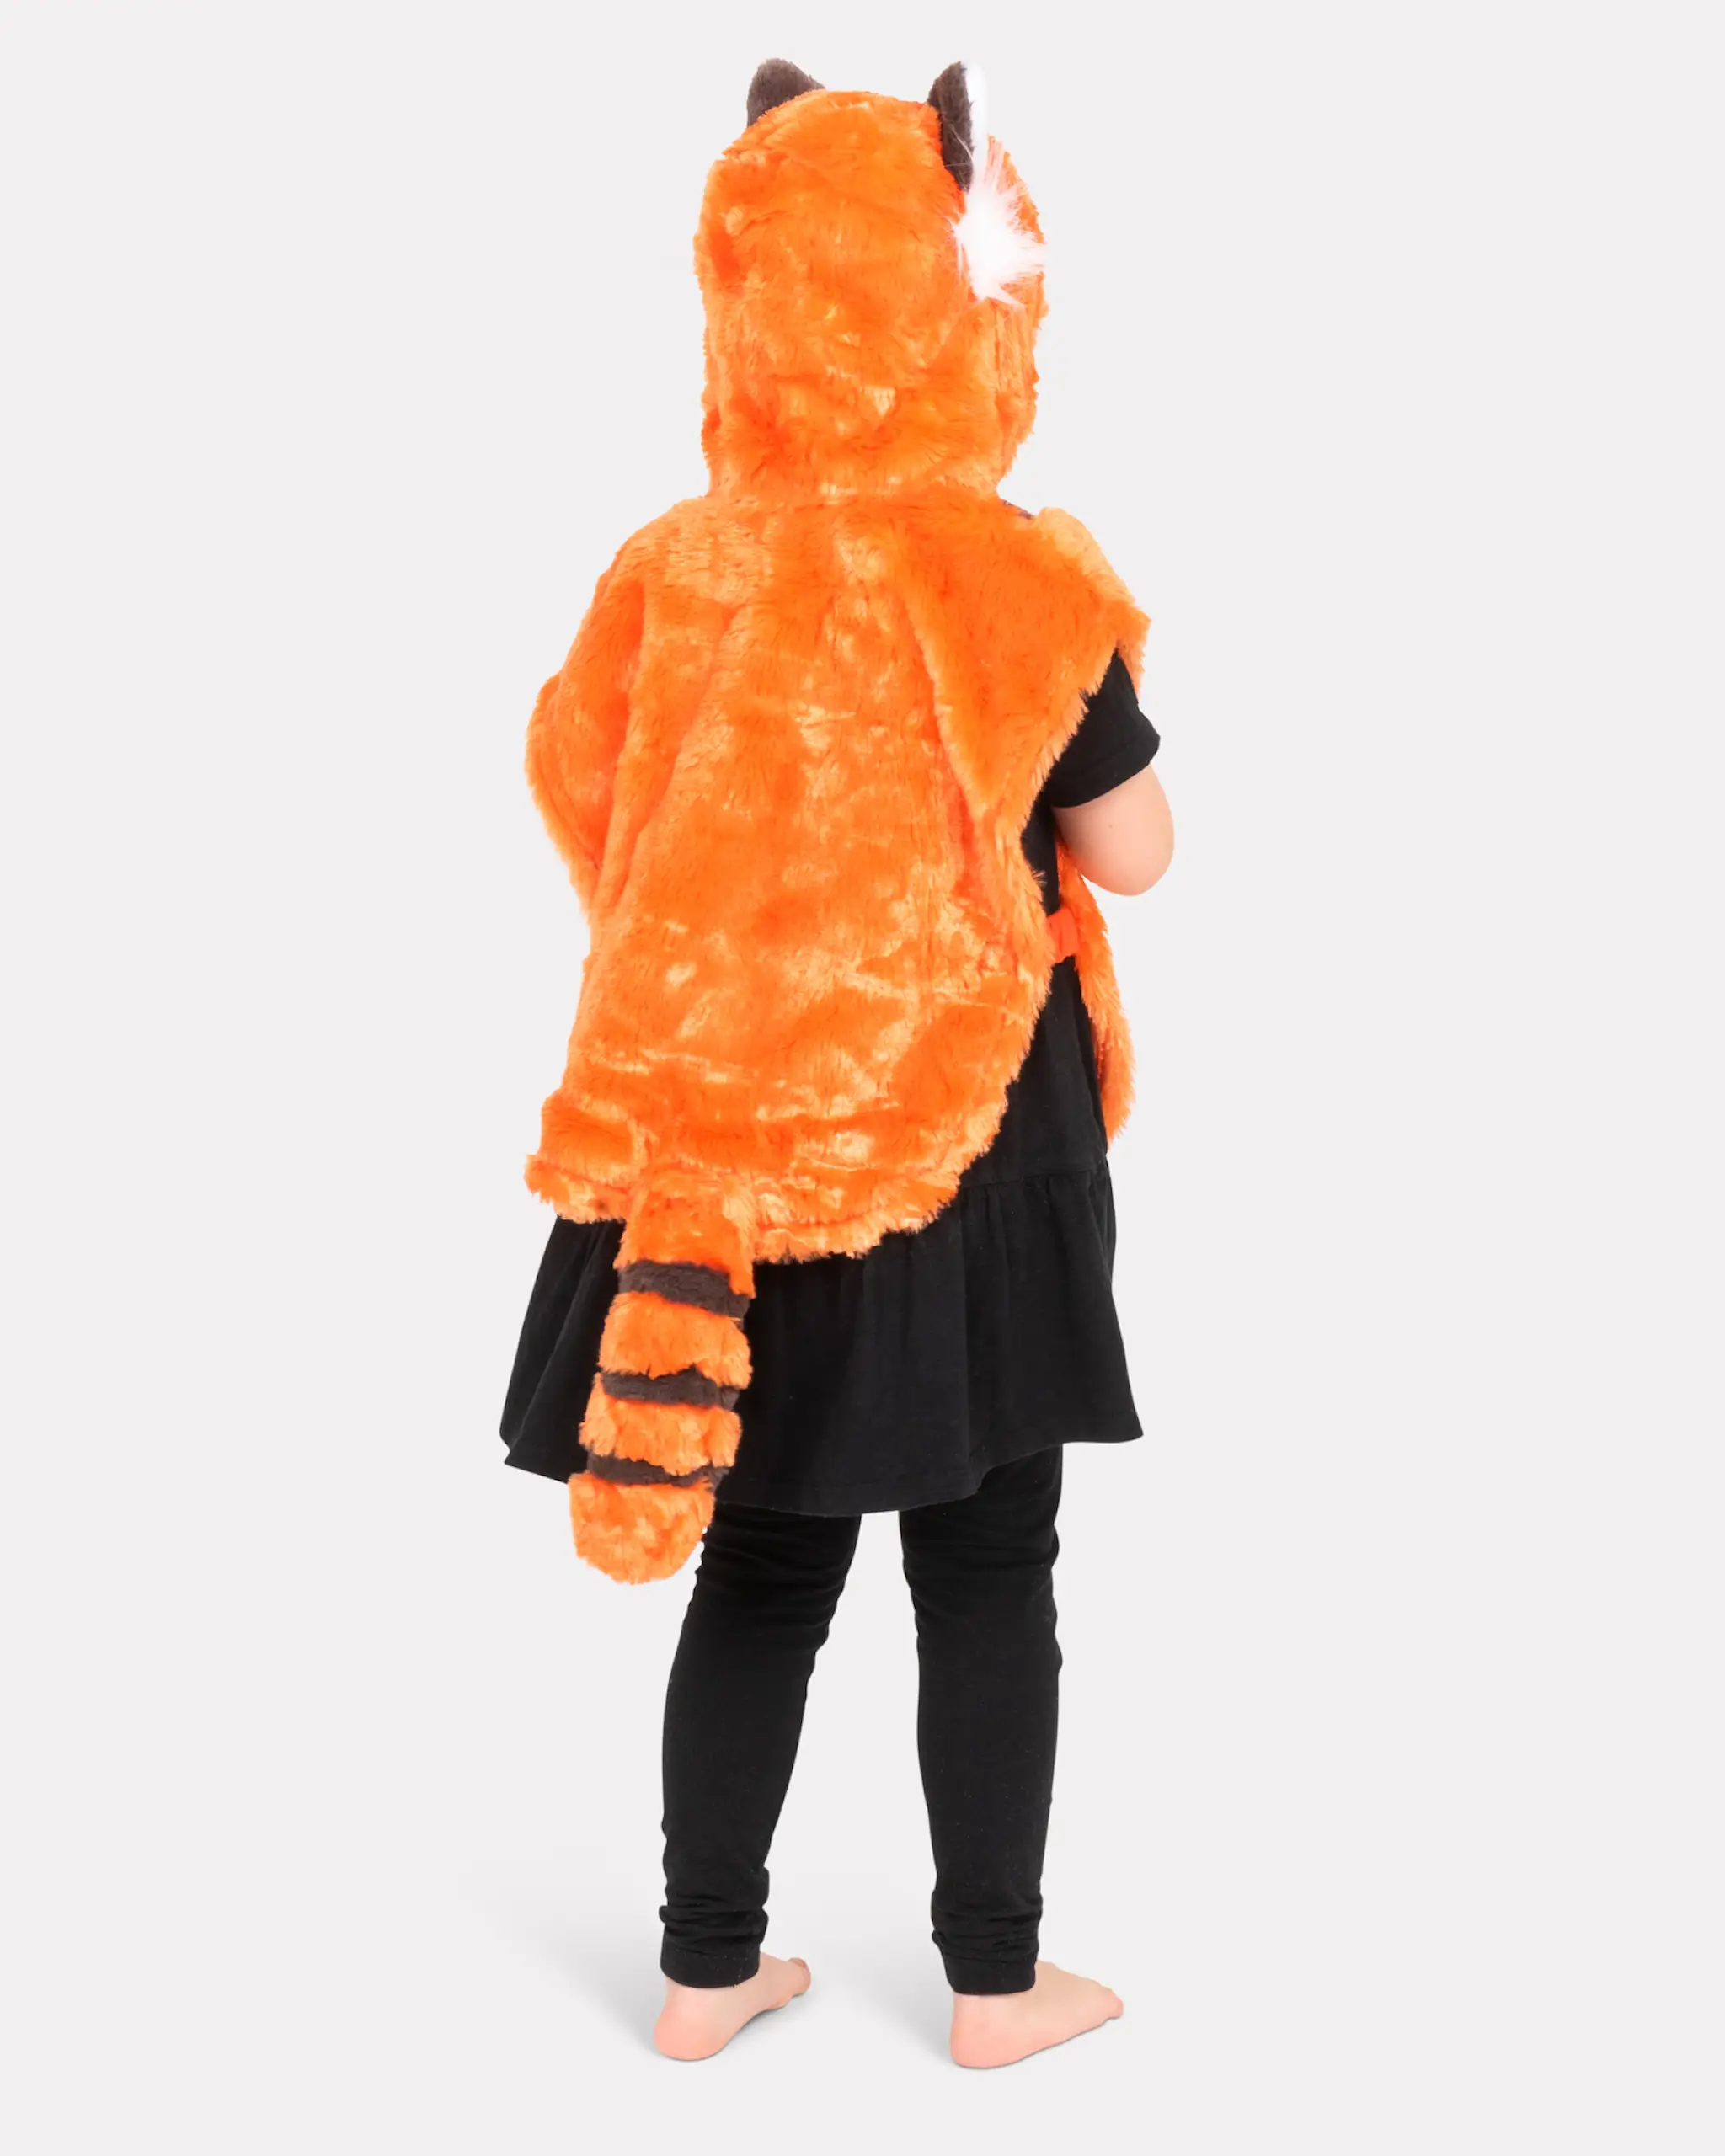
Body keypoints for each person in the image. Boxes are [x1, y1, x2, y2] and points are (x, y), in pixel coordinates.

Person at [500, 60, 1175, 2068]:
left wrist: (750, 939)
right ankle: (994, 1982)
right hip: (965, 1134)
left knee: (765, 1552)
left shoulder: (670, 566)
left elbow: (583, 792)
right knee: (987, 1560)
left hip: (726, 1137)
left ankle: (706, 1968)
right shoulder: (1010, 573)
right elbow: (1136, 847)